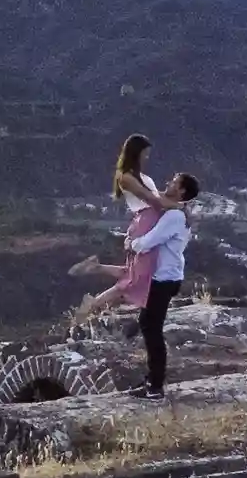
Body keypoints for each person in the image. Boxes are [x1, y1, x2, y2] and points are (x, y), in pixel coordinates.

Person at [73, 134, 170, 329]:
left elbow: (157, 198)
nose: (146, 158)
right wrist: (176, 208)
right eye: (145, 154)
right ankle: (88, 308)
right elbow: (152, 200)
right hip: (145, 224)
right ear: (136, 153)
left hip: (150, 223)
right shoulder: (126, 178)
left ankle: (97, 268)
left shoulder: (141, 177)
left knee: (138, 272)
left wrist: (177, 201)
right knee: (135, 278)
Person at [124, 174, 199, 394]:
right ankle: (151, 380)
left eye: (174, 182)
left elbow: (148, 243)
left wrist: (131, 243)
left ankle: (155, 386)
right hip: (167, 277)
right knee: (149, 325)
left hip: (163, 279)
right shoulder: (178, 213)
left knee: (152, 329)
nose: (168, 183)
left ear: (182, 191)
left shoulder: (175, 216)